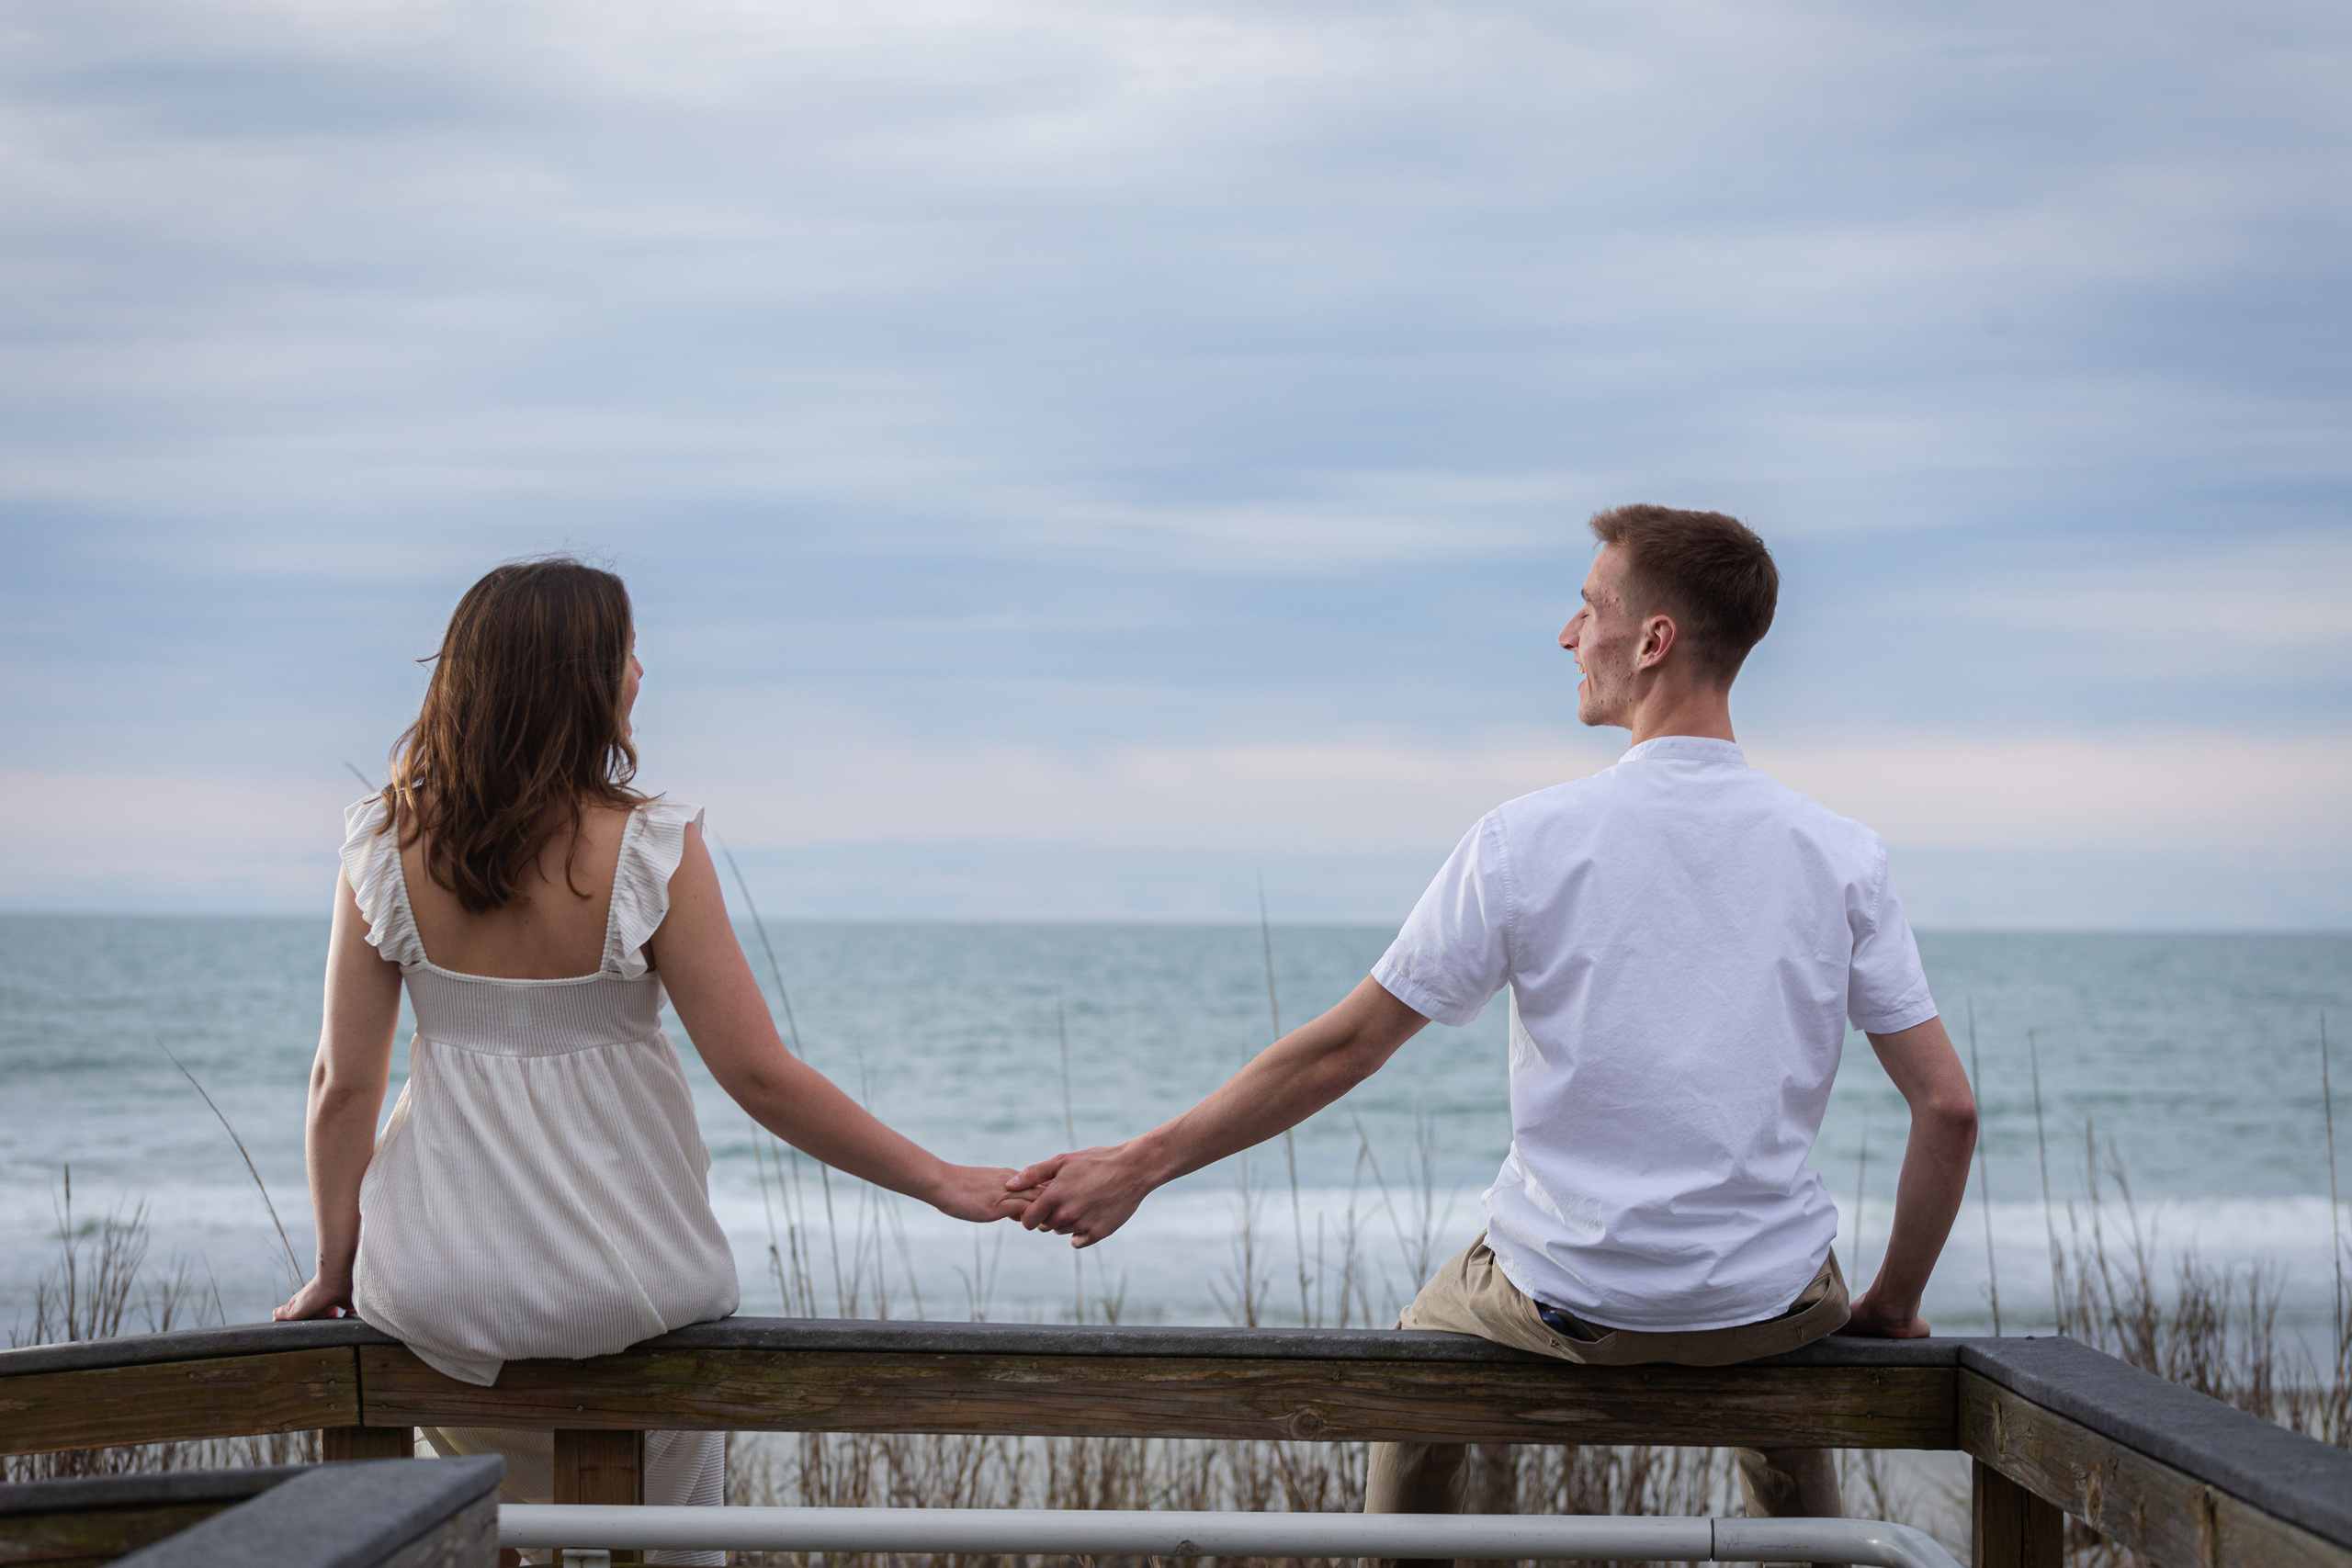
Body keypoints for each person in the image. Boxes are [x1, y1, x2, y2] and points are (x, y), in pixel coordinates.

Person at [1011, 505, 1978, 1555]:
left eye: (1588, 607)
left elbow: (1347, 1049)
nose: (1568, 636)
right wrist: (1890, 1304)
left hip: (1568, 1300)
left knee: (1417, 1355)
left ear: (1652, 641)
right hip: (1762, 1311)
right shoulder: (1841, 854)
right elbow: (1949, 1107)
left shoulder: (1525, 842)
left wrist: (1141, 1165)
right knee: (1779, 1326)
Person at [276, 558, 1028, 1563]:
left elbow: (344, 1086)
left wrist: (337, 1264)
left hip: (435, 1294)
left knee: (479, 1522)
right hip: (628, 1295)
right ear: (579, 681)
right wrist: (941, 1182)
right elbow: (757, 1075)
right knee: (666, 1532)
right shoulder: (650, 847)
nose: (641, 672)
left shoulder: (382, 842)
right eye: (625, 652)